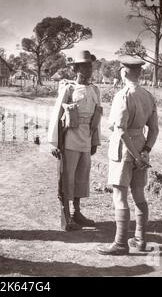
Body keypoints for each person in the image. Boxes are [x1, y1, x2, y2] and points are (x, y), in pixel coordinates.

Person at [97, 55, 159, 255]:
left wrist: (136, 155)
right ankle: (140, 240)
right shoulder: (148, 95)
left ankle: (121, 243)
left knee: (120, 195)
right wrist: (145, 151)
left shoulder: (123, 95)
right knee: (139, 194)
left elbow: (121, 130)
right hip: (140, 146)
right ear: (140, 73)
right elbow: (155, 129)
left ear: (123, 72)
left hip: (124, 150)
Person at [48, 50, 102, 231]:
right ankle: (65, 217)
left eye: (90, 66)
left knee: (81, 177)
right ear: (76, 69)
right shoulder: (68, 89)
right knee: (67, 177)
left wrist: (94, 141)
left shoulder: (95, 90)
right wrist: (54, 143)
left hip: (86, 139)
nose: (88, 69)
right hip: (70, 138)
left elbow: (97, 117)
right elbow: (57, 115)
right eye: (84, 66)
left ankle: (76, 212)